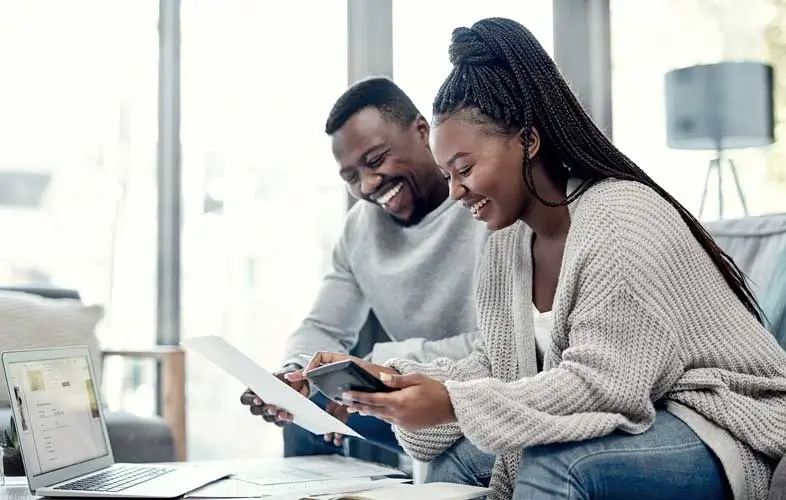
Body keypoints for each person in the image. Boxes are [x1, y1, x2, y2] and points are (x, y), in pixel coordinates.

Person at [289, 18, 786, 500]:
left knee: (556, 463)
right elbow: (496, 364)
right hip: (644, 411)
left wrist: (452, 402)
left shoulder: (619, 217)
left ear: (528, 140)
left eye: (464, 169)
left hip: (718, 419)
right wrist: (392, 380)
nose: (456, 192)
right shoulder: (507, 243)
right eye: (447, 174)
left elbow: (604, 386)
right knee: (455, 459)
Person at [240, 77, 489, 458]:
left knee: (356, 398)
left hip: (474, 392)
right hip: (399, 388)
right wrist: (295, 377)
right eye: (351, 177)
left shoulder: (485, 204)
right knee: (307, 416)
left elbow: (499, 348)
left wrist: (377, 367)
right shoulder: (359, 229)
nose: (369, 184)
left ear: (422, 131)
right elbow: (323, 327)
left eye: (375, 160)